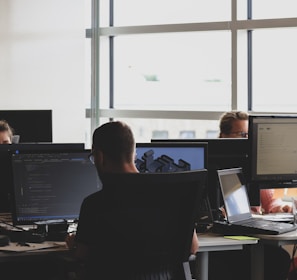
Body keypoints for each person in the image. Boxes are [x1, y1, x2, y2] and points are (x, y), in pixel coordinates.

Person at [65, 121, 199, 279]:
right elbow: (192, 247)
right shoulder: (173, 195)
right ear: (133, 154)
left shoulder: (94, 204)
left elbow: (82, 254)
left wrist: (73, 243)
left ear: (100, 157)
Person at [208, 110, 291, 280]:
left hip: (250, 237)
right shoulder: (212, 163)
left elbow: (270, 202)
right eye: (242, 134)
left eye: (249, 135)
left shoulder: (253, 164)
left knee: (279, 258)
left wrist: (281, 207)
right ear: (223, 135)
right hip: (222, 241)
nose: (247, 139)